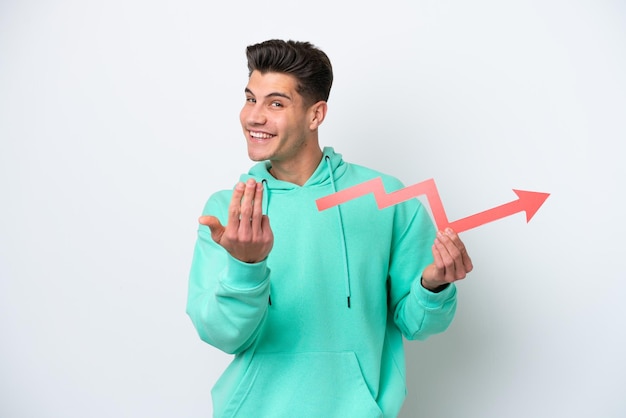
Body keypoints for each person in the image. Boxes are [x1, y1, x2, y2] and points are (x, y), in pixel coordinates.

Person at [186, 39, 473, 418]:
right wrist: (246, 266)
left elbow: (417, 325)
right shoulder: (229, 211)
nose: (254, 116)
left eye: (275, 103)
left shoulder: (387, 198)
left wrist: (432, 286)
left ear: (315, 115)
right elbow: (223, 334)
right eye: (250, 98)